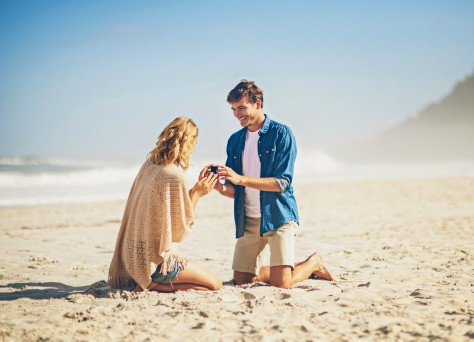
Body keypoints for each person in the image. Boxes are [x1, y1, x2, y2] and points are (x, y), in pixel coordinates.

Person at [214, 80, 333, 288]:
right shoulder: (234, 140)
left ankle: (314, 262)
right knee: (242, 281)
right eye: (233, 109)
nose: (237, 114)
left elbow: (282, 182)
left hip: (278, 217)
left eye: (241, 107)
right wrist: (218, 186)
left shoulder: (281, 134)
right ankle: (284, 269)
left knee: (282, 284)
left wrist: (241, 179)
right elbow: (235, 190)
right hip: (248, 220)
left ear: (258, 103)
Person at [108, 117, 222, 292]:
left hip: (130, 257)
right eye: (195, 142)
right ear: (188, 142)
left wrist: (191, 192)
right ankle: (153, 284)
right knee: (214, 284)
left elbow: (166, 212)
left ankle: (151, 283)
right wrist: (198, 194)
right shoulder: (173, 175)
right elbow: (178, 232)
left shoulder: (149, 165)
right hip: (153, 263)